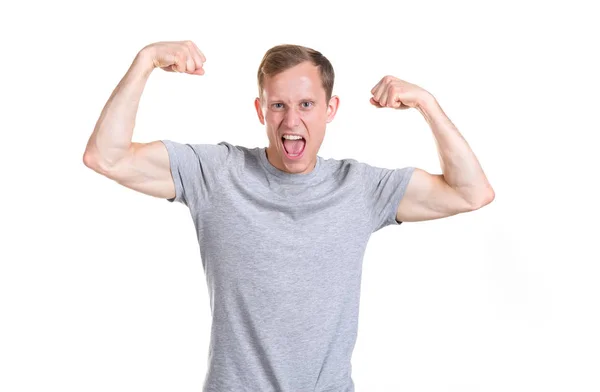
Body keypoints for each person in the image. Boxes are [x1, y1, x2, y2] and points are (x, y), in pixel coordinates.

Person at [83, 40, 494, 392]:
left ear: (330, 109)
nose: (291, 120)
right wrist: (146, 59)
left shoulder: (360, 188)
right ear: (261, 110)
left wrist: (427, 104)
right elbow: (106, 156)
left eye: (306, 104)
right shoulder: (215, 173)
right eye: (278, 105)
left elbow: (471, 192)